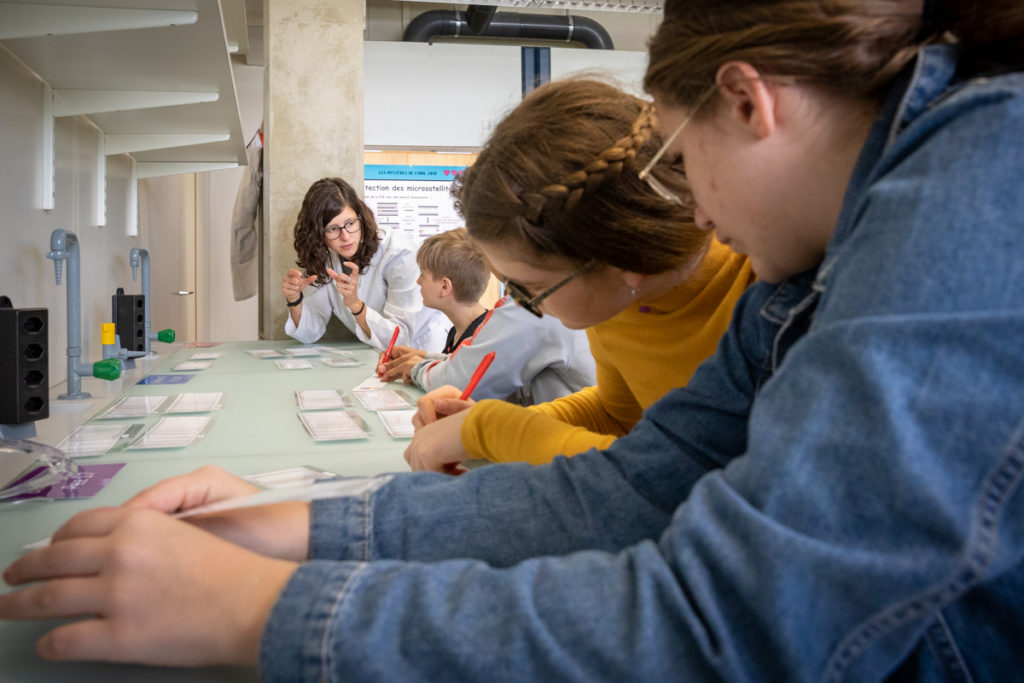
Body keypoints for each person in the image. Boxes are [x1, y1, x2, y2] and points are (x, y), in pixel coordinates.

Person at [3, 2, 1023, 680]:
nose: (690, 205)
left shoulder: (978, 187)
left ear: (747, 103)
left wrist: (269, 608)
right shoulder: (803, 274)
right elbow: (634, 486)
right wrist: (287, 528)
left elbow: (737, 626)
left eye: (678, 149)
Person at [403, 79, 753, 471]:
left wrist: (491, 430)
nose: (520, 304)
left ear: (623, 259)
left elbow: (687, 474)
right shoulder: (618, 298)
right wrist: (479, 425)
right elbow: (618, 415)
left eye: (529, 289)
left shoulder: (760, 294)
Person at [380, 227, 597, 405]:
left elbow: (464, 382)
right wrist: (425, 358)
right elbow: (487, 367)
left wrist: (417, 368)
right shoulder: (538, 290)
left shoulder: (536, 303)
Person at [281, 177, 447, 351]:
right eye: (332, 229)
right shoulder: (327, 258)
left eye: (351, 223)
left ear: (360, 217)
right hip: (376, 354)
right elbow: (310, 332)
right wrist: (294, 300)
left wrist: (355, 305)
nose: (345, 236)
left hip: (422, 349)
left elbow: (400, 337)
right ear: (318, 233)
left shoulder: (399, 254)